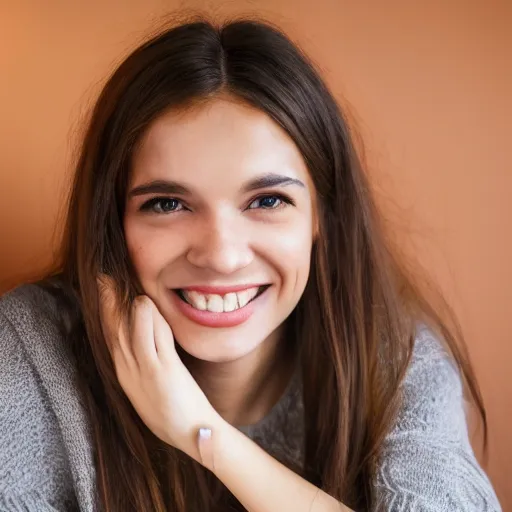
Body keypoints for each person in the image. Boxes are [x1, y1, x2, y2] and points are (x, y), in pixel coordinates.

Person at [0, 16, 501, 512]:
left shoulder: (398, 362)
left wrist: (206, 437)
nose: (221, 256)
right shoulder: (32, 349)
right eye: (168, 204)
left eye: (266, 201)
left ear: (321, 215)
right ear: (113, 223)